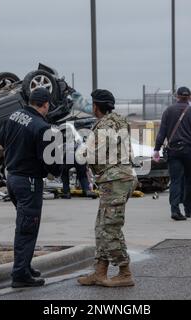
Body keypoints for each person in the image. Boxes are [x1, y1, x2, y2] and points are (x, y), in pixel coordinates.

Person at [0, 88, 62, 288]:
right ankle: (20, 274)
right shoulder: (42, 127)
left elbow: (1, 141)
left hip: (12, 179)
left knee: (25, 224)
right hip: (29, 182)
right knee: (27, 228)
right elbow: (51, 163)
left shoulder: (14, 116)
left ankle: (25, 266)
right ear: (45, 105)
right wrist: (57, 171)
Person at [77, 89, 137, 287]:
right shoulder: (119, 120)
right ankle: (100, 271)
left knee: (109, 228)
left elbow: (94, 153)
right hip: (116, 179)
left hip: (115, 180)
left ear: (96, 106)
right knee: (102, 227)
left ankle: (125, 272)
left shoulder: (105, 125)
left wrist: (81, 153)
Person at [153, 87, 191, 221]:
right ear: (190, 97)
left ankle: (175, 210)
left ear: (176, 96)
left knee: (175, 181)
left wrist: (156, 149)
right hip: (190, 152)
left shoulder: (168, 111)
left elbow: (162, 133)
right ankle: (188, 209)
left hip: (174, 151)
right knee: (189, 180)